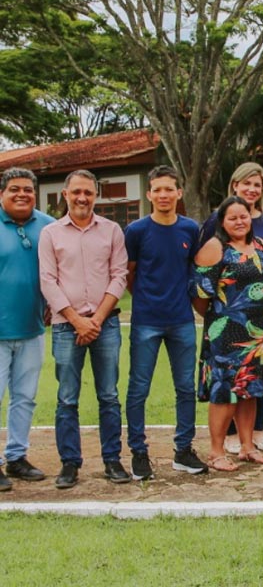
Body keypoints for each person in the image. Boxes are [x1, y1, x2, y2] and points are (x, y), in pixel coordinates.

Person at [39, 169, 129, 488]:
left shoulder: (112, 231)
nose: (82, 198)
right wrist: (78, 321)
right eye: (76, 192)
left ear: (96, 195)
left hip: (105, 324)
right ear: (65, 194)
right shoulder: (50, 234)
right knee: (67, 398)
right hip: (67, 326)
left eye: (88, 193)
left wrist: (96, 320)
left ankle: (112, 460)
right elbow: (48, 281)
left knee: (108, 395)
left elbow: (119, 275)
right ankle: (69, 463)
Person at [124, 165, 208, 479]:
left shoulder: (190, 229)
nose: (163, 195)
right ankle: (138, 453)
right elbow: (130, 273)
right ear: (149, 194)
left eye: (168, 189)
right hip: (146, 320)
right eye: (157, 189)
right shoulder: (136, 231)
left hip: (182, 320)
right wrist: (147, 299)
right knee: (138, 389)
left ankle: (183, 450)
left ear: (178, 192)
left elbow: (194, 272)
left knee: (186, 388)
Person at [192, 196, 263, 472]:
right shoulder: (215, 247)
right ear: (222, 222)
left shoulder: (261, 246)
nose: (239, 221)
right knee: (225, 393)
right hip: (226, 335)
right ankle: (217, 451)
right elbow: (199, 295)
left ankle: (247, 446)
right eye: (232, 217)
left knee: (250, 390)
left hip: (258, 334)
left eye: (243, 216)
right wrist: (222, 320)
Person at [0, 168, 55, 491]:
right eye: (14, 190)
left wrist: (55, 302)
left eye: (28, 190)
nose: (22, 194)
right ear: (2, 194)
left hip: (33, 329)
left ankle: (17, 456)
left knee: (25, 397)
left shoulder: (47, 226)